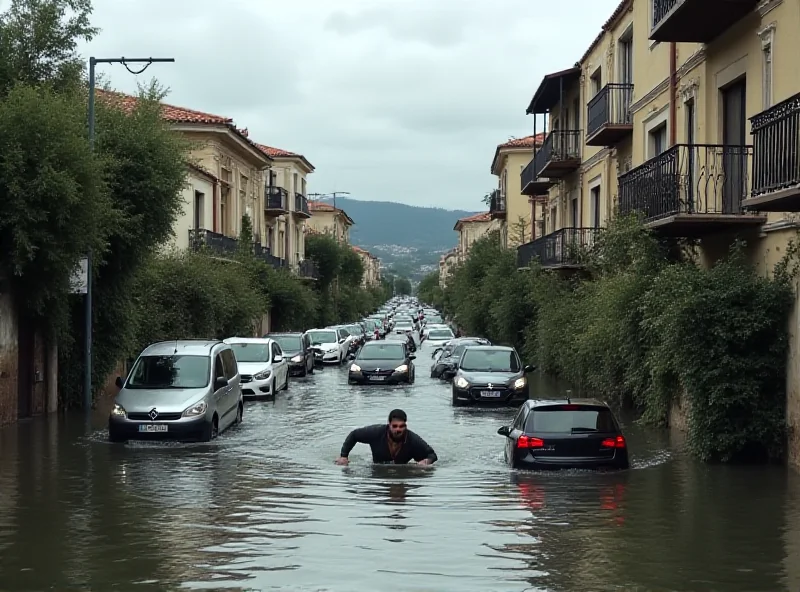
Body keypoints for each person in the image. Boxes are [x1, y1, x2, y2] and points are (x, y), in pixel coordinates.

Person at [335, 409, 437, 466]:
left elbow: (432, 454)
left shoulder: (413, 439)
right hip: (377, 470)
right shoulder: (376, 432)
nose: (398, 430)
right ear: (389, 425)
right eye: (395, 426)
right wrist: (344, 456)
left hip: (401, 473)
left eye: (402, 426)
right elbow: (354, 435)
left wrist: (426, 462)